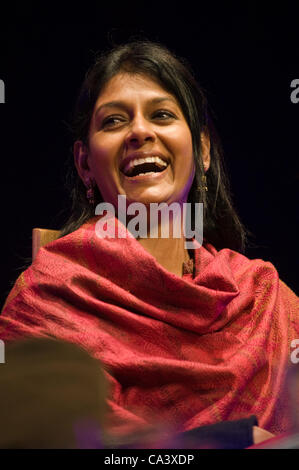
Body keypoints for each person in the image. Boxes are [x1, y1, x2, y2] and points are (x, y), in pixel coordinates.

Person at [0, 39, 298, 448]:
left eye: (161, 115)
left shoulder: (263, 301)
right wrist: (233, 438)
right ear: (85, 163)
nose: (140, 131)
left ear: (203, 150)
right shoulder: (45, 302)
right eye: (114, 121)